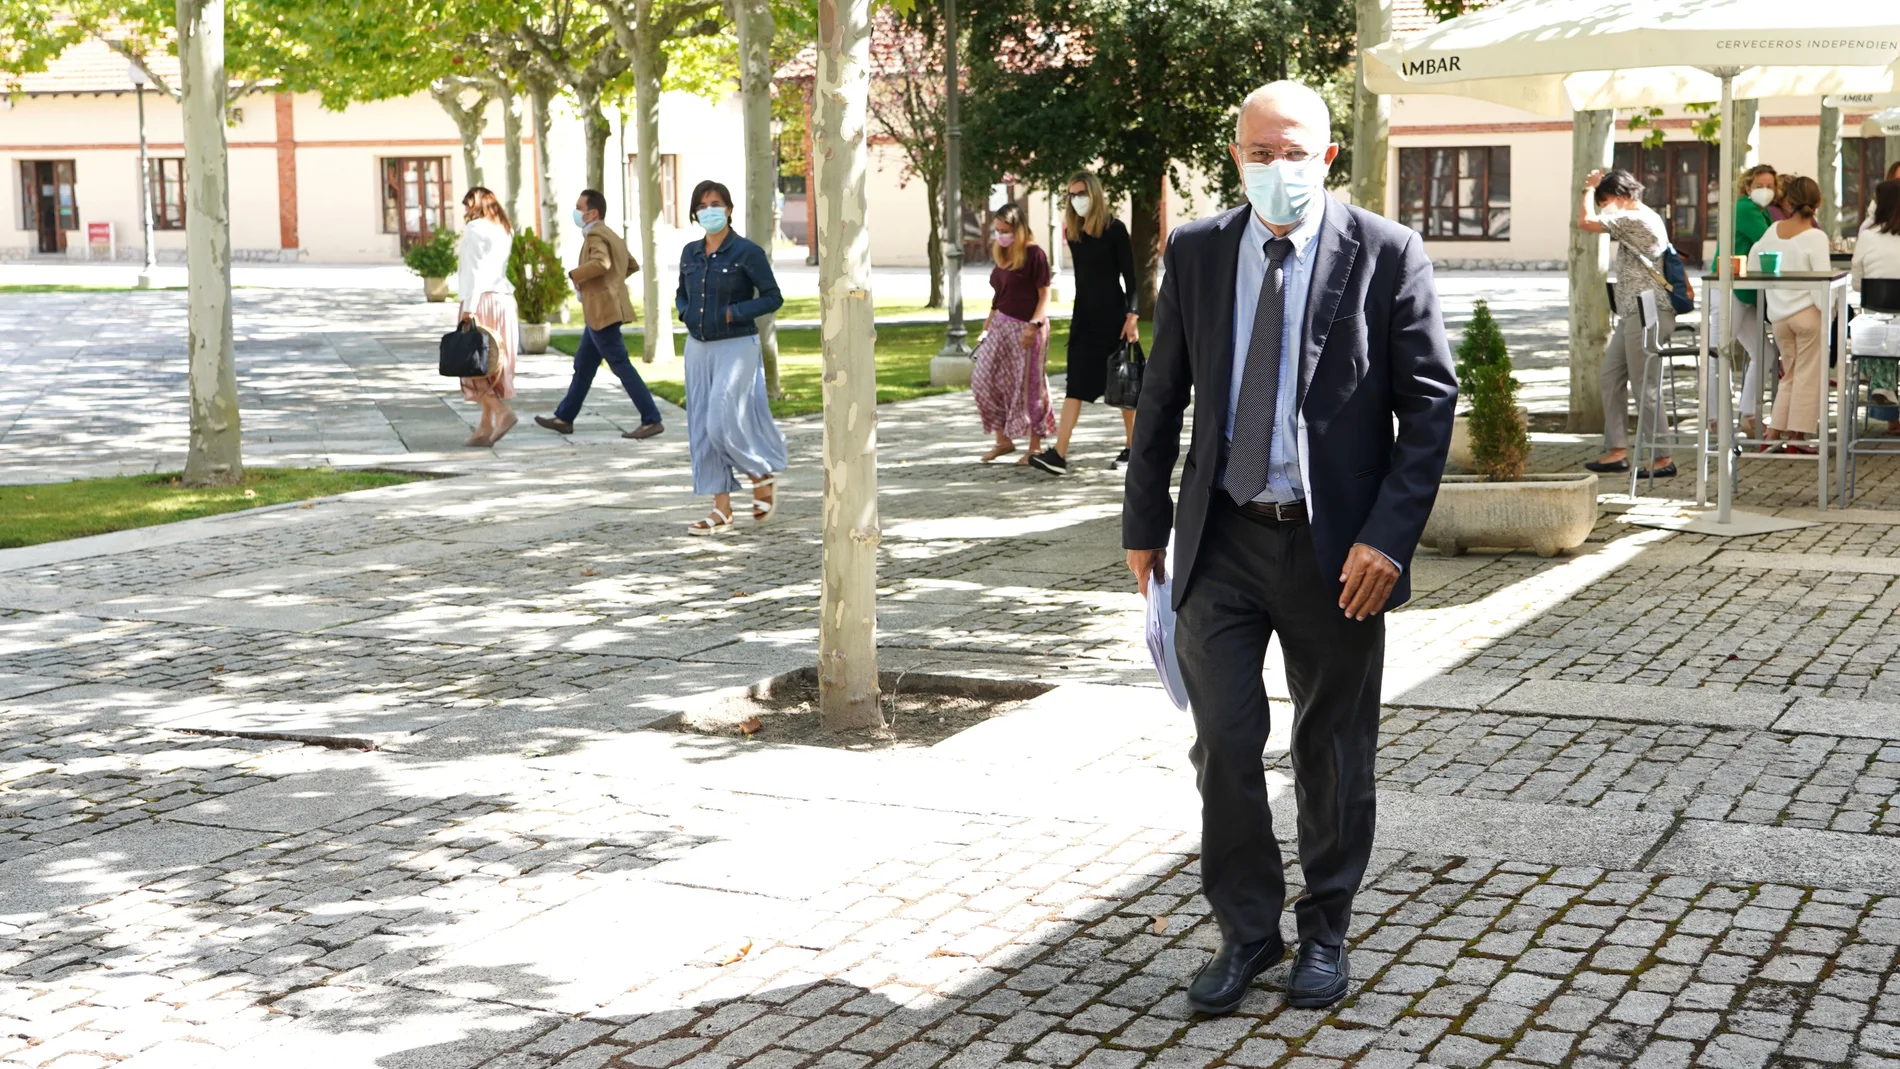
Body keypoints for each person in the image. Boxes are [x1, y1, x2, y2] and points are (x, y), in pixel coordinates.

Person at [1122, 81, 1455, 1016]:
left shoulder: (1386, 253)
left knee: (1332, 745)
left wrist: (1388, 539)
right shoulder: (1194, 251)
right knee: (1224, 741)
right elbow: (1161, 398)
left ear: (1329, 157)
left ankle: (1328, 929)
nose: (1279, 168)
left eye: (1295, 151)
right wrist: (1144, 526)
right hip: (1219, 539)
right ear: (1237, 158)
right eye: (1260, 153)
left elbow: (1429, 403)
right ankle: (1247, 931)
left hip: (1336, 549)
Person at [675, 180, 787, 535]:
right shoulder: (690, 253)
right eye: (704, 204)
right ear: (695, 212)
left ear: (729, 209)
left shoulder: (746, 252)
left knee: (721, 421)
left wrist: (733, 312)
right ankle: (721, 509)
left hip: (736, 345)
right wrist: (686, 314)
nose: (710, 209)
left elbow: (772, 297)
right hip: (697, 347)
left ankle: (759, 473)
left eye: (717, 203)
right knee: (701, 430)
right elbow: (682, 294)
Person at [1029, 171, 1139, 476]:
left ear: (1094, 194)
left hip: (1114, 318)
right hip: (1084, 319)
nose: (1075, 199)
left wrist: (1132, 316)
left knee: (1122, 385)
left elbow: (1131, 279)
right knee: (1075, 386)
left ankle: (1134, 447)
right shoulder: (1074, 233)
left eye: (1080, 193)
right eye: (1070, 195)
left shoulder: (1115, 230)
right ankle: (1059, 455)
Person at [534, 189, 665, 440]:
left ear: (592, 212)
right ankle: (565, 417)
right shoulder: (610, 233)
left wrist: (576, 276)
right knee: (583, 366)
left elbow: (602, 263)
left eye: (579, 207)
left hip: (601, 312)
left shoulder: (595, 234)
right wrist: (610, 286)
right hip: (600, 311)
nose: (576, 212)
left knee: (621, 365)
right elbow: (630, 264)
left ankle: (652, 419)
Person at [1578, 168, 1675, 477]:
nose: (1602, 205)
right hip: (1633, 312)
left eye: (1604, 199)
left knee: (1645, 385)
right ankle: (1617, 450)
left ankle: (1663, 458)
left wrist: (1589, 190)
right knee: (1610, 378)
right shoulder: (1635, 215)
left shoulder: (1635, 218)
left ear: (1621, 197)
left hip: (1650, 310)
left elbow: (1585, 222)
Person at [1750, 176, 1832, 453]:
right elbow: (1823, 284)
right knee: (1808, 375)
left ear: (1787, 200)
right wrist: (1830, 315)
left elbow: (1753, 264)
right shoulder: (1815, 236)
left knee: (1791, 373)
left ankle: (1774, 431)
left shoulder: (1772, 230)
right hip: (1808, 314)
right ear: (1818, 202)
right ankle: (1799, 436)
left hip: (1779, 316)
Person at [970, 202, 1055, 464]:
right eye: (996, 230)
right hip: (1000, 326)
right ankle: (1003, 440)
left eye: (1005, 230)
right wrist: (986, 327)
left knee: (1029, 386)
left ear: (1018, 229)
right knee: (983, 381)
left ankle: (1035, 446)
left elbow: (1045, 294)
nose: (1000, 235)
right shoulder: (1002, 256)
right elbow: (998, 298)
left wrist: (1034, 325)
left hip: (1027, 327)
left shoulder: (1034, 254)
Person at [455, 187, 519, 446]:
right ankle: (484, 427)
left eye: (467, 204)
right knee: (491, 365)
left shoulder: (476, 229)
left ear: (475, 204)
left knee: (471, 365)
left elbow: (475, 271)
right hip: (504, 301)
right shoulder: (505, 229)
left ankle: (502, 412)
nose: (465, 210)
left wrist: (468, 309)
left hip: (481, 301)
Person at [1729, 165, 1778, 437]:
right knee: (1718, 350)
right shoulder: (1746, 208)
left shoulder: (1763, 211)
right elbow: (1769, 241)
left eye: (1771, 185)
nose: (1766, 190)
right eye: (1760, 185)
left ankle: (1749, 415)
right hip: (1732, 287)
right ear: (1748, 188)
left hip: (1746, 291)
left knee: (1764, 353)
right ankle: (1715, 419)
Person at [1851, 180, 1900, 429]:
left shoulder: (1868, 237)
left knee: (1878, 326)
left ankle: (1883, 386)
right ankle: (1884, 388)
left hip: (1875, 333)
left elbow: (1858, 284)